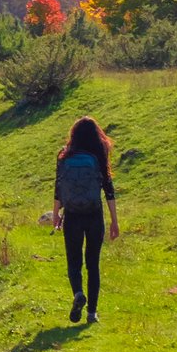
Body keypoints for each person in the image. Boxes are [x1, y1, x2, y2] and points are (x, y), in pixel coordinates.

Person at [52, 116, 120, 324]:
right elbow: (108, 188)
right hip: (94, 213)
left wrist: (56, 214)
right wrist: (115, 221)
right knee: (93, 263)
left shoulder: (64, 155)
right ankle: (92, 313)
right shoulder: (99, 152)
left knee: (74, 261)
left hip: (72, 214)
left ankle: (78, 294)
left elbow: (58, 186)